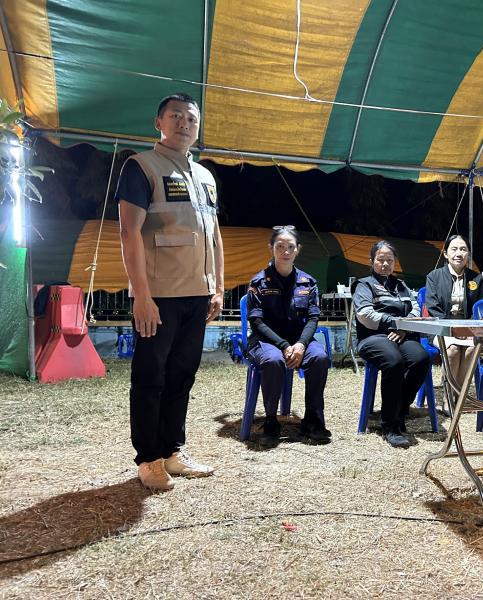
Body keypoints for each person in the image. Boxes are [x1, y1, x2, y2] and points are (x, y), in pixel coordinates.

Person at [117, 93, 224, 491]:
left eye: (191, 118)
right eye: (176, 116)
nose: (184, 123)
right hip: (159, 295)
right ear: (158, 123)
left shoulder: (205, 176)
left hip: (198, 295)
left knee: (182, 376)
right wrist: (141, 296)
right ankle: (148, 459)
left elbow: (214, 235)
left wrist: (217, 287)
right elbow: (128, 232)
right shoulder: (141, 166)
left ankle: (172, 451)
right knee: (151, 377)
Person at [246, 226, 331, 442]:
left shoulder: (308, 282)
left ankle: (312, 420)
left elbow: (313, 318)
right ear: (271, 248)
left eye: (291, 247)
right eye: (280, 246)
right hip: (267, 341)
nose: (286, 251)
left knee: (320, 357)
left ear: (298, 250)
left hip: (299, 340)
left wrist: (301, 344)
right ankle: (271, 421)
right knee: (273, 360)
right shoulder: (259, 282)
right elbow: (257, 322)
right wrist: (284, 345)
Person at [353, 241, 431, 448]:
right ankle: (390, 426)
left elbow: (416, 308)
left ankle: (399, 409)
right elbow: (365, 315)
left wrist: (404, 327)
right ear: (371, 261)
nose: (385, 264)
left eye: (390, 260)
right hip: (373, 337)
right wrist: (396, 323)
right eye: (380, 259)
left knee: (421, 359)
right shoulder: (364, 285)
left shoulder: (400, 285)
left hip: (402, 335)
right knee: (394, 361)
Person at [425, 234, 483, 390]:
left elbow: (479, 308)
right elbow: (433, 308)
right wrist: (453, 329)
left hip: (468, 330)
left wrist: (467, 329)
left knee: (471, 350)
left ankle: (459, 395)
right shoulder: (434, 277)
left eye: (463, 249)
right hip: (441, 329)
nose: (459, 253)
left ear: (468, 254)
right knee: (452, 351)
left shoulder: (477, 278)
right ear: (446, 254)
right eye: (454, 249)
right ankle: (450, 397)